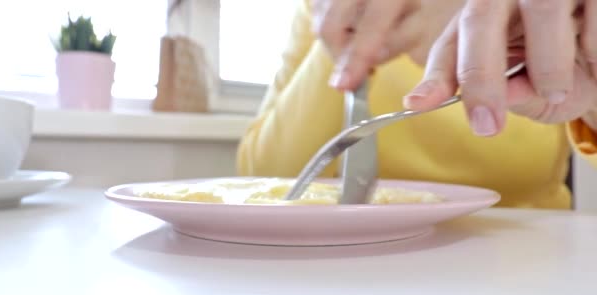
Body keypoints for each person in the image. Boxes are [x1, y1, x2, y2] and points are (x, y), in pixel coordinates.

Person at [236, 0, 593, 209]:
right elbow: (265, 178)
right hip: (344, 274)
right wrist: (347, 43)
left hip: (530, 269)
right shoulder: (321, 9)